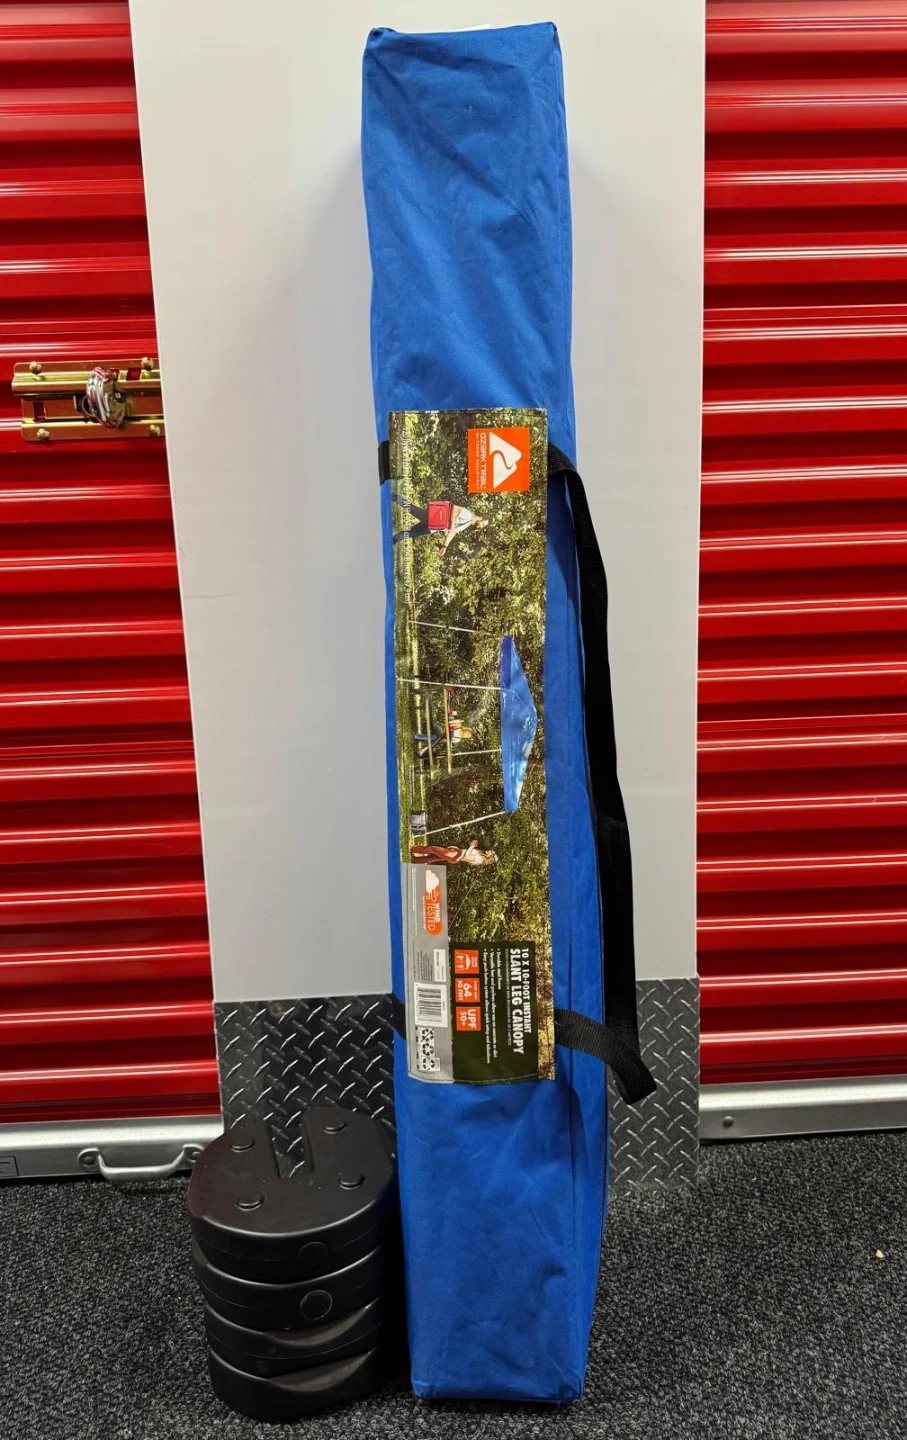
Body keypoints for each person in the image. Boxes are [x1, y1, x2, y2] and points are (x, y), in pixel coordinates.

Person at [393, 493, 488, 554]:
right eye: (483, 524)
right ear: (480, 518)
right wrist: (451, 525)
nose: (481, 527)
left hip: (434, 526)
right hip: (434, 518)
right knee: (412, 511)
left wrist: (444, 546)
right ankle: (393, 496)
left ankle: (393, 540)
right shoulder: (468, 515)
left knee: (412, 528)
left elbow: (453, 532)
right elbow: (455, 509)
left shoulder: (468, 523)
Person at [410, 840, 497, 867]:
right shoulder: (481, 854)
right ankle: (415, 860)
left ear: (490, 857)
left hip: (456, 856)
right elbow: (465, 852)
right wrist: (457, 849)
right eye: (491, 850)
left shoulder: (479, 859)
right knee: (434, 857)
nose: (489, 851)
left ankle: (413, 848)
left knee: (433, 849)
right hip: (456, 853)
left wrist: (471, 846)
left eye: (491, 852)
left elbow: (466, 857)